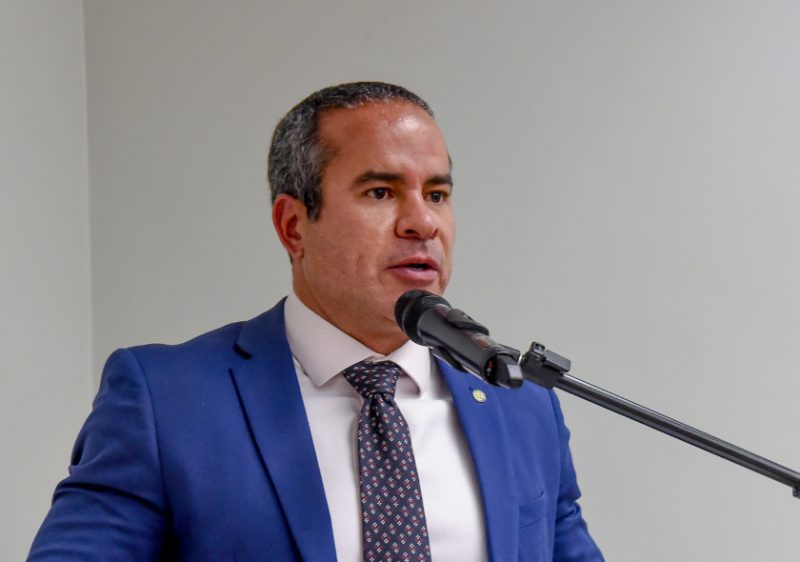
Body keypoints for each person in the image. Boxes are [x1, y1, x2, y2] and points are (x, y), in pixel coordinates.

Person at [29, 82, 603, 561]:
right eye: (380, 192)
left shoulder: (520, 405)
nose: (422, 222)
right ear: (293, 225)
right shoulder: (166, 402)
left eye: (436, 194)